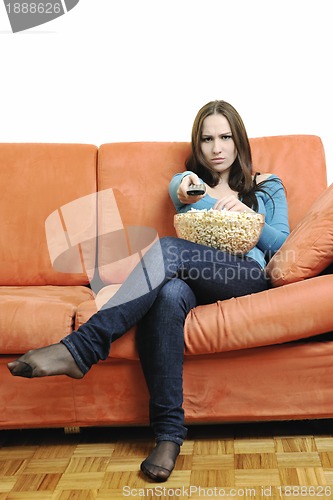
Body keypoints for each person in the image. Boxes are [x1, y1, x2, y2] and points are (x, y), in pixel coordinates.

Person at [7, 100, 290, 482]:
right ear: (198, 144)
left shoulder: (266, 185)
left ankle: (84, 347)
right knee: (169, 295)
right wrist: (191, 191)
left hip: (244, 276)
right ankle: (169, 435)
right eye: (207, 139)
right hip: (193, 278)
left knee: (167, 248)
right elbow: (181, 187)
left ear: (239, 140)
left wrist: (249, 215)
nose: (216, 148)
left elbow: (282, 245)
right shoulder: (188, 183)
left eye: (225, 137)